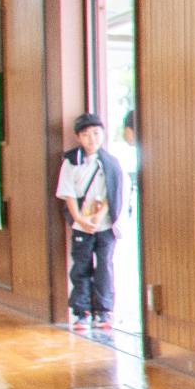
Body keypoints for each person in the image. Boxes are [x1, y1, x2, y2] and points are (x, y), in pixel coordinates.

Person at [55, 112, 126, 332]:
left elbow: (113, 193)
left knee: (105, 265)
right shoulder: (71, 161)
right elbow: (67, 193)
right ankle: (82, 311)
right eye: (86, 134)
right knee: (81, 266)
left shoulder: (111, 163)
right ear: (78, 137)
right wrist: (78, 219)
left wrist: (97, 217)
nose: (92, 139)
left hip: (105, 224)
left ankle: (104, 311)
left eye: (96, 133)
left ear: (103, 134)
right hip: (80, 225)